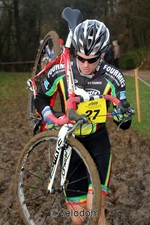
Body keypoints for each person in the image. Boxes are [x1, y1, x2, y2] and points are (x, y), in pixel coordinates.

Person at [34, 19, 134, 225]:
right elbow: (40, 97)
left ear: (103, 54)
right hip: (71, 145)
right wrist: (49, 116)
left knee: (96, 210)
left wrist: (124, 117)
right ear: (75, 52)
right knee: (78, 218)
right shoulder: (60, 70)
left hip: (98, 143)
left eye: (92, 59)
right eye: (81, 58)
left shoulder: (113, 77)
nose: (86, 64)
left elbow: (123, 122)